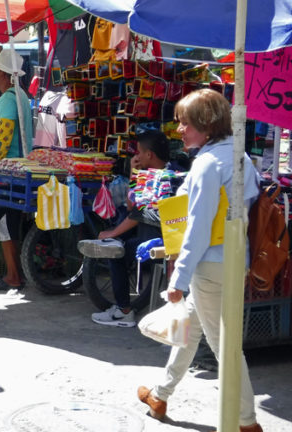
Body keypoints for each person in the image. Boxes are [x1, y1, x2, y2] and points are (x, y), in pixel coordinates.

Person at [137, 89, 263, 432]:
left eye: (185, 123)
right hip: (232, 262)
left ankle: (247, 422)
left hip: (209, 265)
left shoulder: (209, 164)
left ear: (207, 126)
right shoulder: (240, 158)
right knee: (189, 331)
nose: (179, 129)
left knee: (226, 350)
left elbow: (199, 229)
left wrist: (177, 280)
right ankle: (161, 394)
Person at [79, 131, 173, 327]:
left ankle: (123, 311)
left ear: (150, 155)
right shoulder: (156, 173)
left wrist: (112, 234)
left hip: (159, 241)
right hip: (155, 235)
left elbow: (137, 214)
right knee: (120, 227)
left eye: (139, 152)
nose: (136, 156)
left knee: (116, 253)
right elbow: (132, 206)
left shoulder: (159, 178)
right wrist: (134, 173)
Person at [0, 49, 33, 292]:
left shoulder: (10, 99)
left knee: (5, 224)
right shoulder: (19, 96)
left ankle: (12, 276)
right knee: (9, 223)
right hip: (15, 170)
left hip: (7, 174)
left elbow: (6, 135)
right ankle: (14, 271)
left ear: (3, 73)